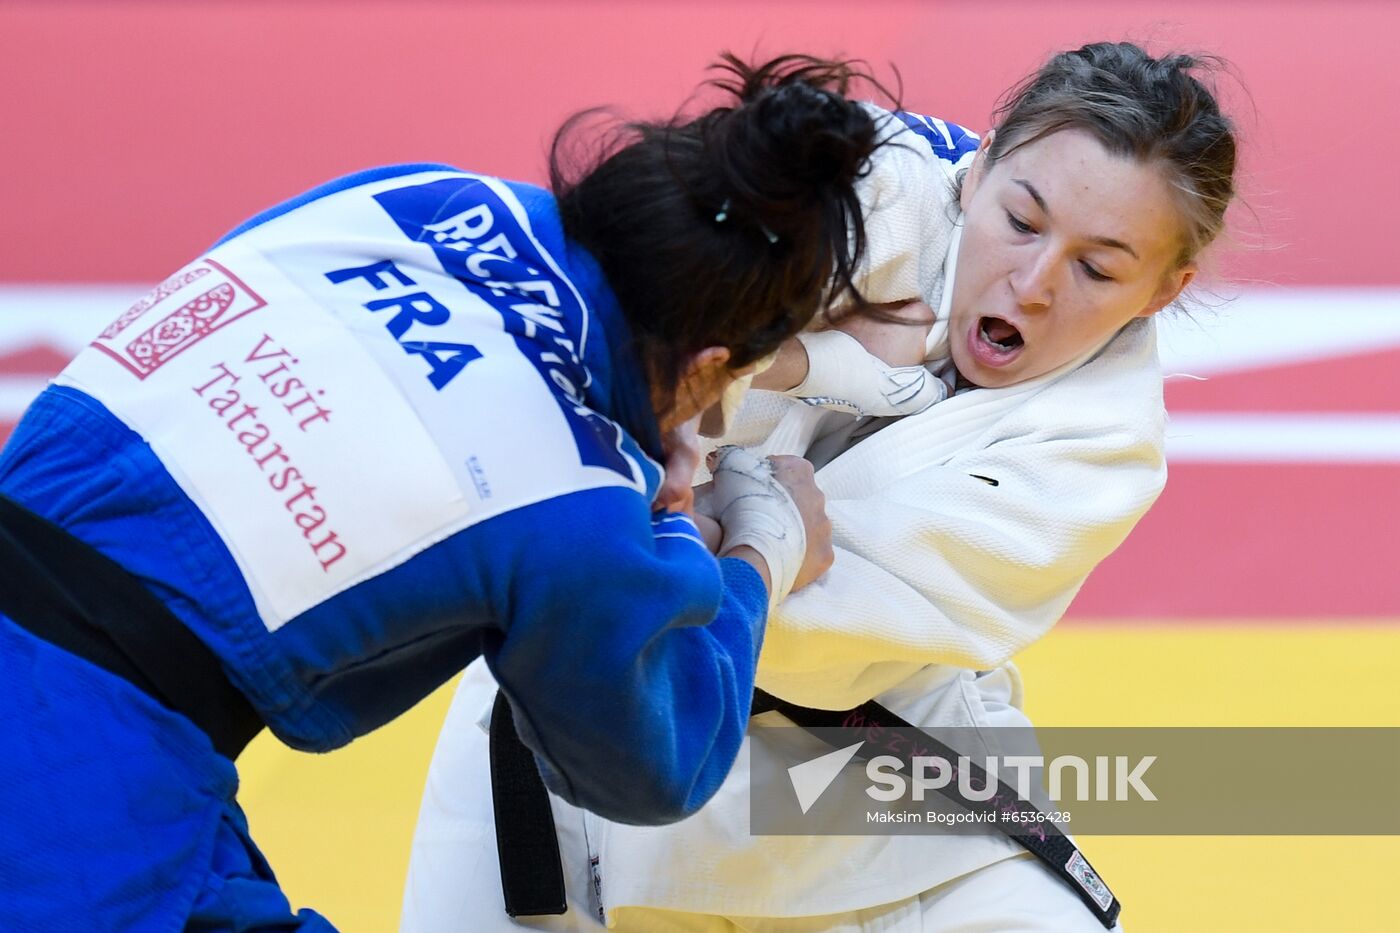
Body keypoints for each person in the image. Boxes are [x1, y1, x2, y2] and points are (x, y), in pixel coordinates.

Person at [0, 54, 901, 931]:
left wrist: (637, 428)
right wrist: (758, 547)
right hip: (72, 763)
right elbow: (657, 758)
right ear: (711, 368)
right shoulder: (575, 502)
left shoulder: (422, 194)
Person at [402, 41, 1238, 932]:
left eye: (1098, 269)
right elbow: (618, 344)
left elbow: (806, 637)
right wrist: (823, 363)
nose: (1031, 284)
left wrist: (742, 484)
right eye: (1021, 221)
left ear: (1163, 290)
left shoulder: (1100, 447)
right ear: (978, 168)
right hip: (569, 710)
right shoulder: (866, 184)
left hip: (857, 792)